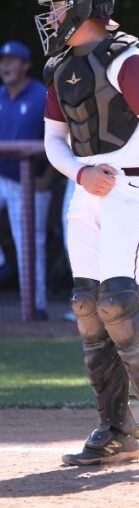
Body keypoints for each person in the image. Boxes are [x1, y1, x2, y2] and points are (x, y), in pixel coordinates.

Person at [37, 0, 139, 470]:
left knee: (119, 303)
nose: (51, 17)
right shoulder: (61, 68)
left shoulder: (130, 61)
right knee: (87, 305)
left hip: (135, 187)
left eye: (57, 8)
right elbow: (53, 142)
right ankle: (117, 432)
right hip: (87, 195)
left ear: (81, 9)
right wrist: (80, 173)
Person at [0, 39, 52, 319]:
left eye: (12, 60)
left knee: (30, 245)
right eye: (2, 60)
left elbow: (64, 139)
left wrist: (48, 177)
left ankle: (37, 308)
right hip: (3, 177)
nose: (5, 64)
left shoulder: (41, 95)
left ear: (26, 66)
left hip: (32, 182)